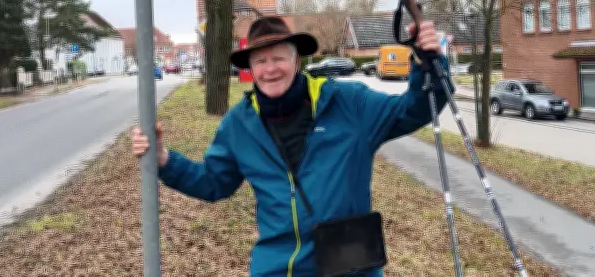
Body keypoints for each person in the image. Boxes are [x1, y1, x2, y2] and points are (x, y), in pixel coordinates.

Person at [131, 15, 453, 277]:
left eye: (278, 58)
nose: (269, 69)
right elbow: (214, 183)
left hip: (351, 265)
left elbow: (413, 110)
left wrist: (429, 64)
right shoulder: (238, 125)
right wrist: (164, 160)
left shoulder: (347, 102)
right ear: (251, 68)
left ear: (296, 59)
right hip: (279, 268)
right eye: (260, 61)